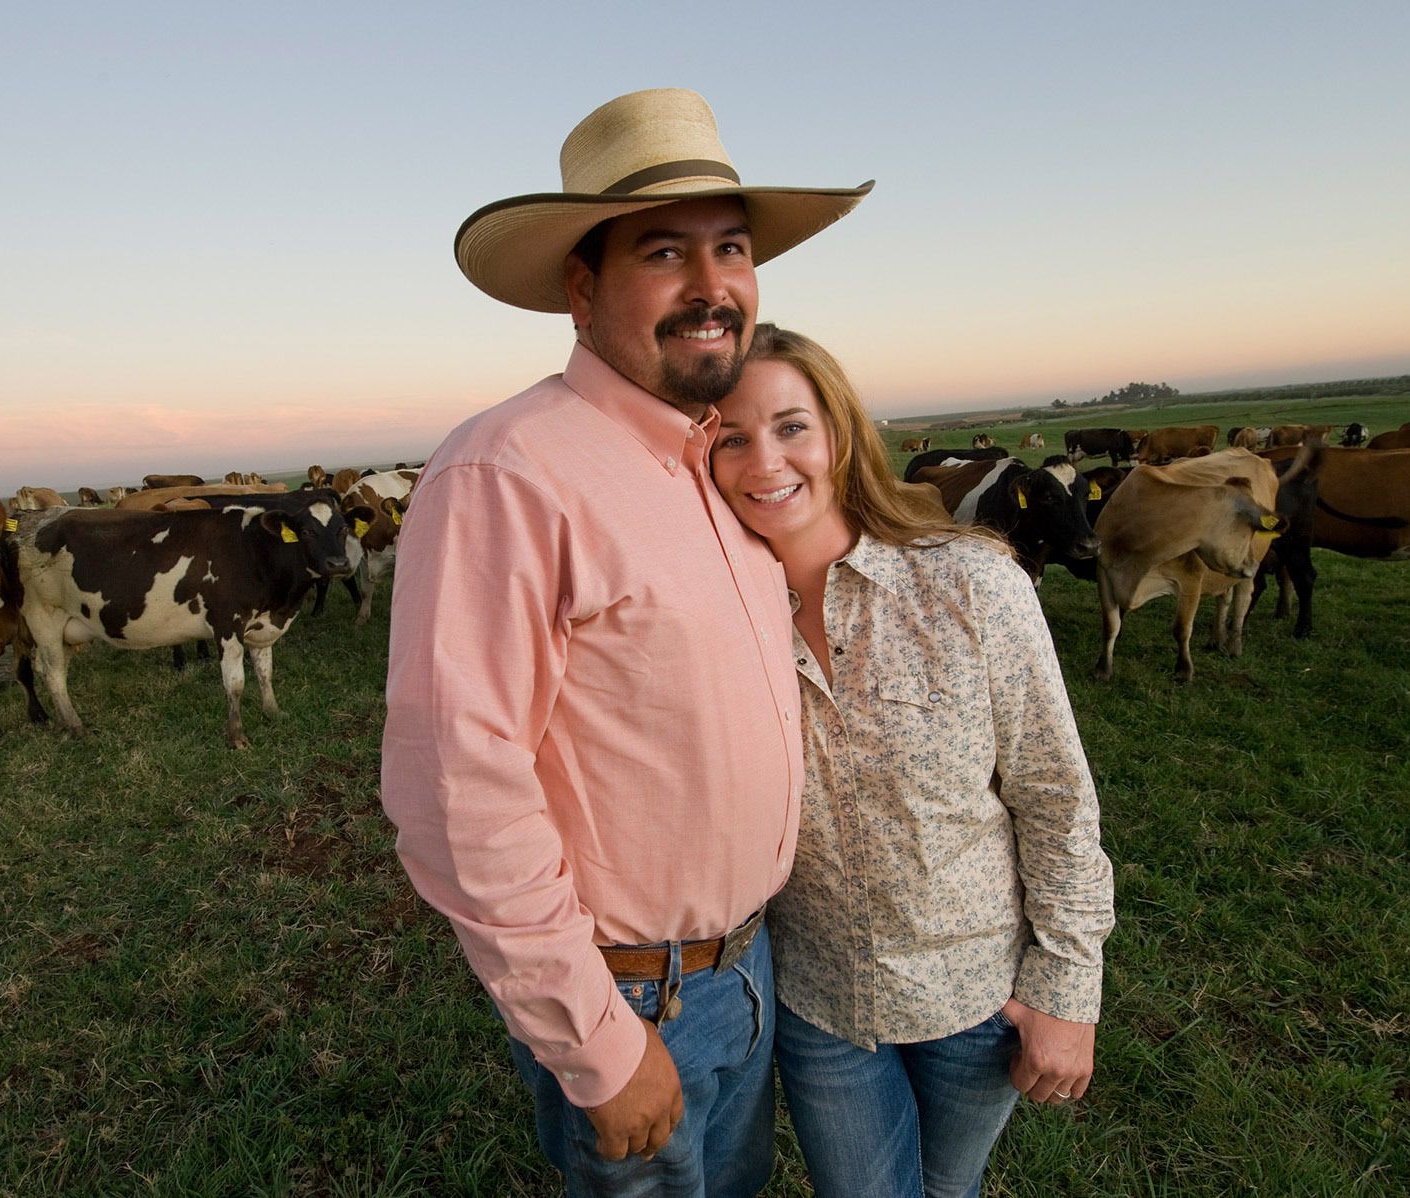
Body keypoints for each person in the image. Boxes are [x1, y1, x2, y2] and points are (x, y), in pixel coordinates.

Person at [379, 90, 870, 1195]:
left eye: (732, 249)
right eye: (665, 253)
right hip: (634, 998)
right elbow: (454, 786)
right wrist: (597, 1043)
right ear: (583, 286)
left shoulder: (712, 469)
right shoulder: (510, 472)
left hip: (750, 969)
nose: (713, 287)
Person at [709, 325, 1116, 1198]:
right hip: (823, 1005)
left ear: (840, 435)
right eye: (730, 437)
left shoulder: (971, 584)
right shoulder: (714, 623)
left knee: (947, 1188)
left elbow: (1054, 797)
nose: (762, 460)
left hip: (977, 994)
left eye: (790, 426)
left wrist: (1069, 988)